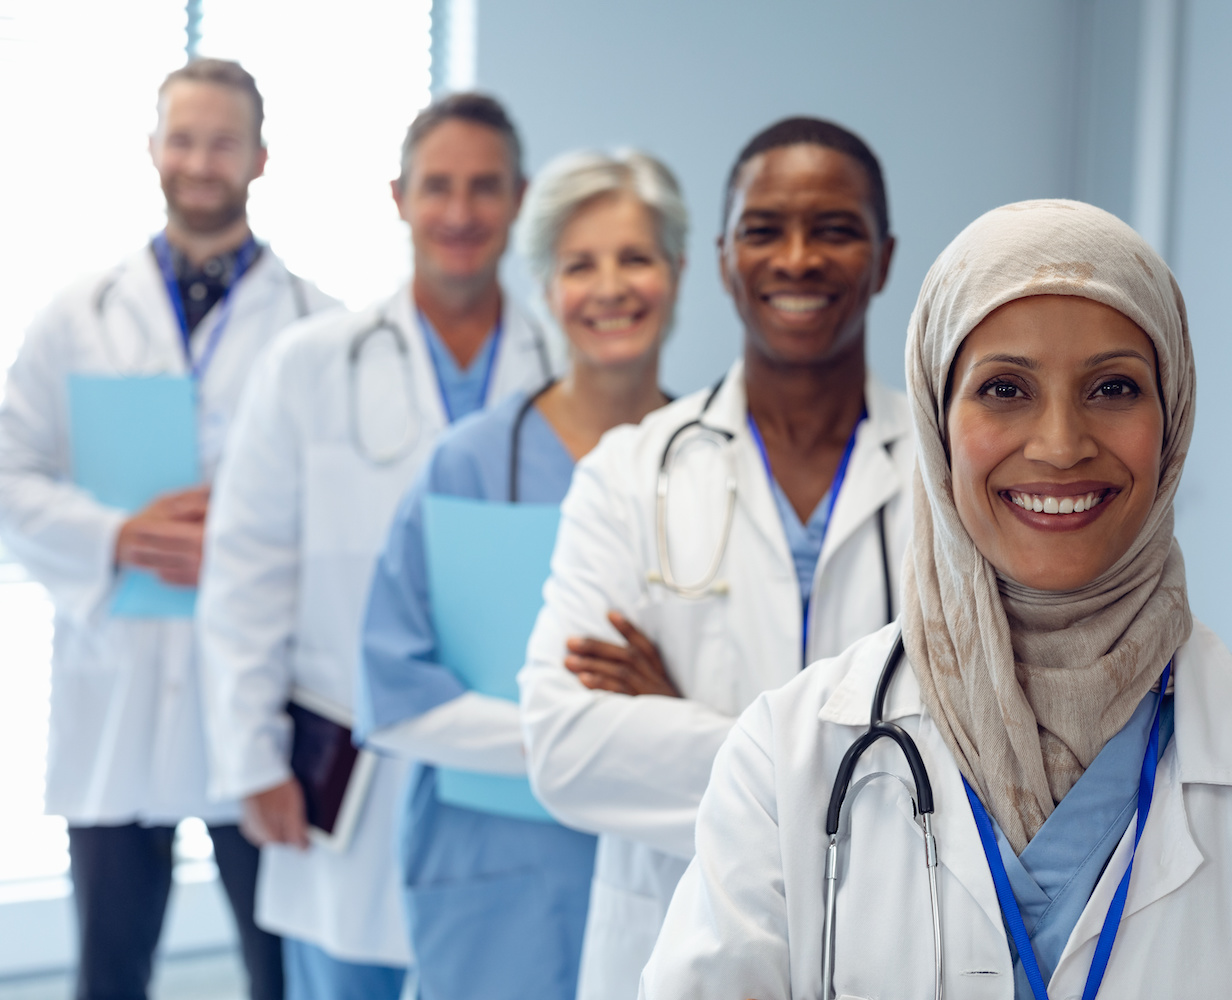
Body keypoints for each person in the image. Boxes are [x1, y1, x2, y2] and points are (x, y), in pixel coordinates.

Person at [640, 200, 1232, 1000]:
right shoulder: (787, 763)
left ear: (1172, 416)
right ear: (936, 417)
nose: (1063, 444)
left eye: (1113, 388)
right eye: (1005, 389)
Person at [518, 117, 914, 1000]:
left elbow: (996, 753)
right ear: (727, 255)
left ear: (883, 260)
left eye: (836, 229)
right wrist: (860, 771)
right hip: (670, 955)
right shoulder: (627, 474)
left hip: (901, 954)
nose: (799, 258)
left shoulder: (949, 482)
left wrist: (690, 723)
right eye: (765, 230)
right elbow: (565, 746)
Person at [197, 92, 553, 999]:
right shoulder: (310, 364)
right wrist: (251, 758)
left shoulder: (568, 371)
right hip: (347, 785)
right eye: (438, 186)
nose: (461, 212)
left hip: (518, 780)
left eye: (485, 187)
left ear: (519, 198)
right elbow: (246, 573)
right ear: (399, 197)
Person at [0, 58, 337, 1000]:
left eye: (221, 141)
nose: (199, 160)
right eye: (181, 138)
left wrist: (253, 540)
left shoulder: (316, 328)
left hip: (263, 700)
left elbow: (356, 513)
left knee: (282, 970)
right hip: (120, 690)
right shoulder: (76, 317)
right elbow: (10, 473)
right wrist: (113, 536)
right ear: (152, 149)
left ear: (260, 158)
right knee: (109, 972)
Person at [356, 148, 685, 1000]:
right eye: (580, 264)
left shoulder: (716, 466)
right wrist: (594, 735)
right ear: (545, 286)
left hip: (665, 870)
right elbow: (393, 694)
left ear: (681, 272)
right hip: (489, 874)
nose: (609, 286)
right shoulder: (466, 465)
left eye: (636, 258)